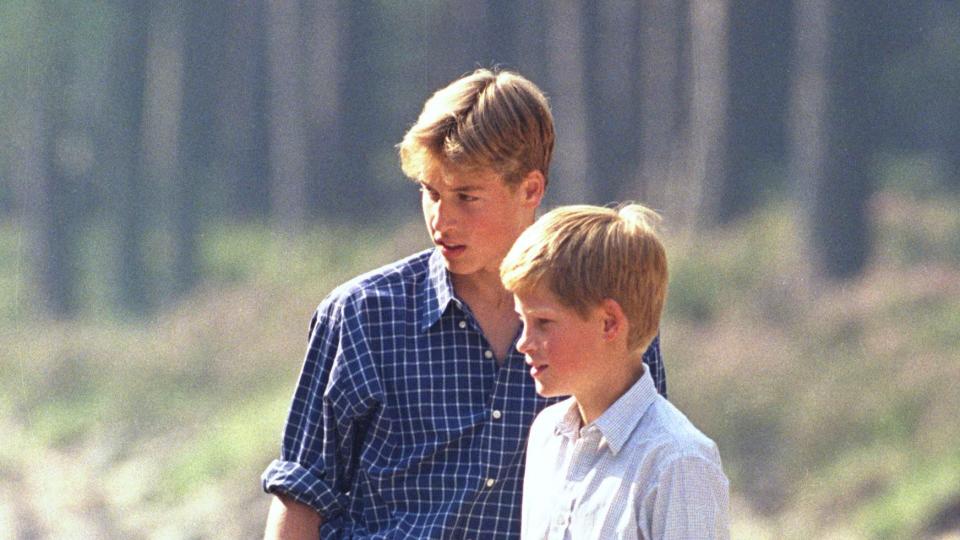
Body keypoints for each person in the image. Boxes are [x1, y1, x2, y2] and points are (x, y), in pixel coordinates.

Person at [261, 69, 667, 539]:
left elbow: (647, 470)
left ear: (531, 189)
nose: (441, 220)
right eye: (429, 193)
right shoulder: (359, 316)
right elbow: (302, 496)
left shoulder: (604, 323)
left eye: (466, 197)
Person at [500, 204, 728, 539]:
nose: (523, 343)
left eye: (543, 323)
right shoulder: (546, 435)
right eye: (523, 321)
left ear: (609, 323)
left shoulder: (678, 462)